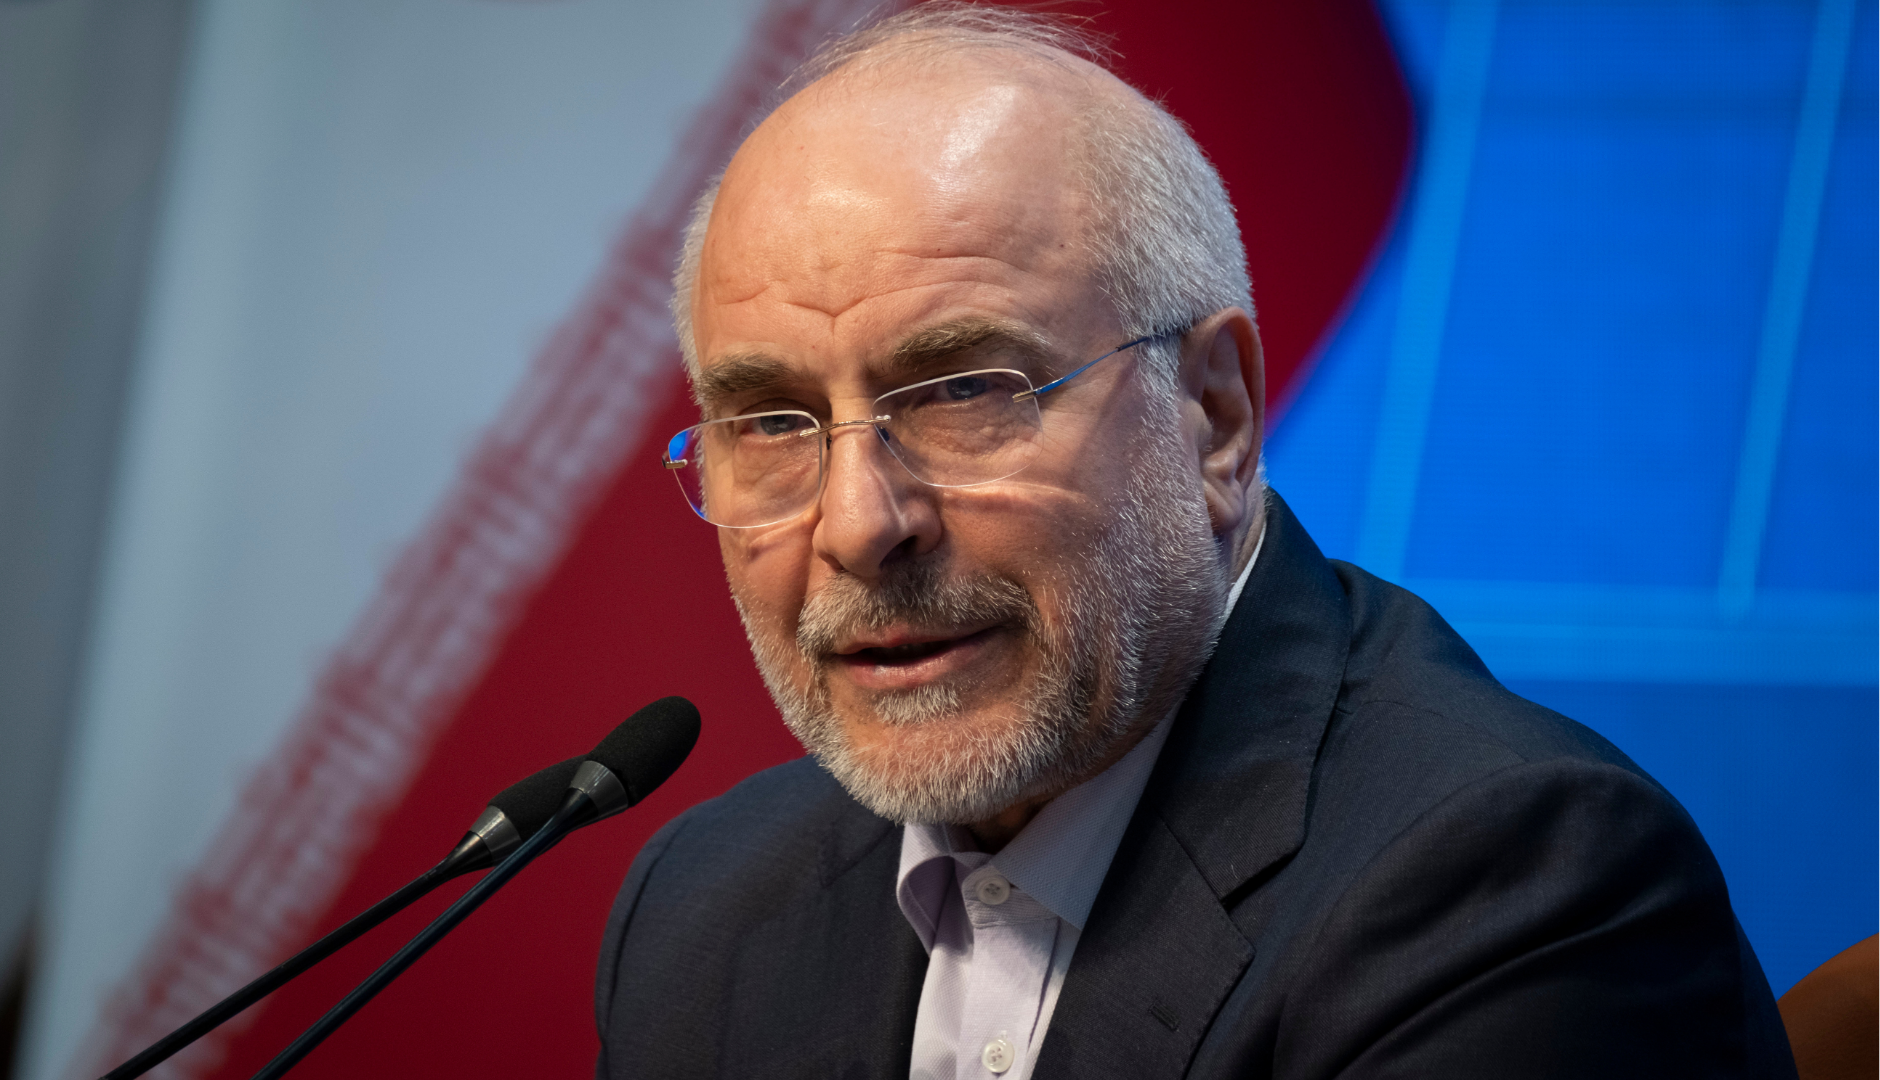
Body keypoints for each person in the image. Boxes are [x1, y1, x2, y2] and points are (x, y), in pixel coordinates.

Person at [594, 5, 1796, 1077]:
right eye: (772, 422)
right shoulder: (700, 908)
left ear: (1214, 416)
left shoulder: (1514, 888)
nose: (860, 522)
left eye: (965, 392)